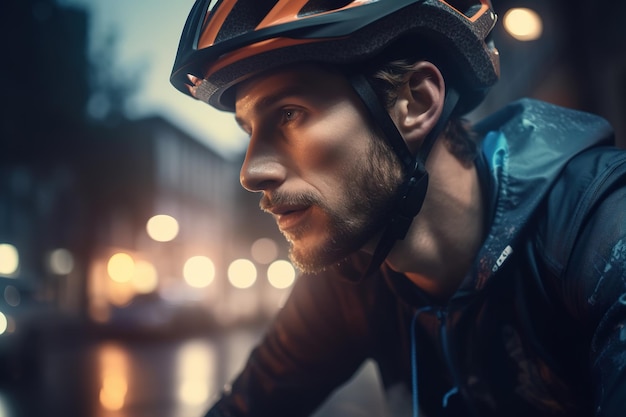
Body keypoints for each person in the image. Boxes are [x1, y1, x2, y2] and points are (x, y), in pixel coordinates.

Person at [170, 0, 626, 416]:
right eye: (249, 130)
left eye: (288, 114)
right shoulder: (353, 278)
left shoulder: (603, 235)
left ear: (416, 102)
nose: (250, 172)